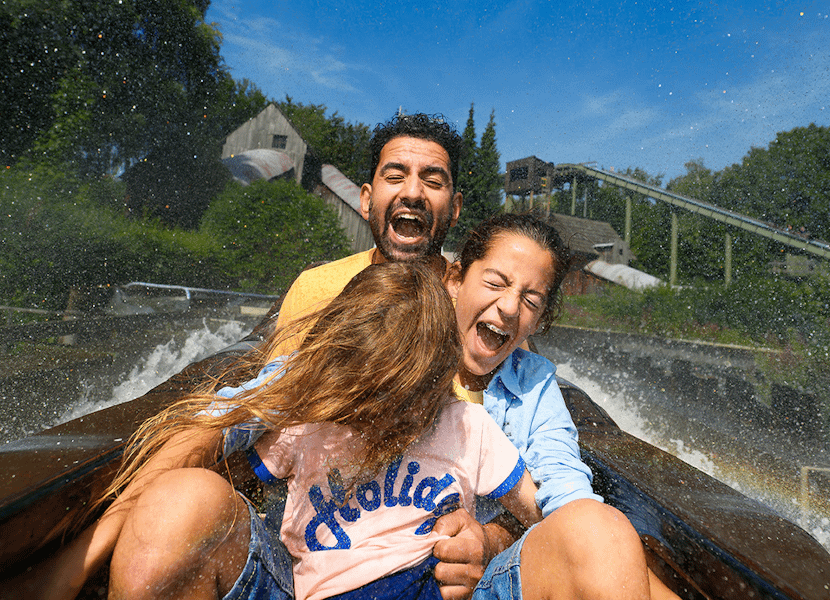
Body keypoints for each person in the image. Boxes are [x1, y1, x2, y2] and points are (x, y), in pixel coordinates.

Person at [11, 262, 542, 600]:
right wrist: (89, 553)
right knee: (184, 497)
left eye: (388, 400)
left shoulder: (485, 414)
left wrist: (491, 538)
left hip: (423, 579)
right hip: (314, 584)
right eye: (357, 397)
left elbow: (543, 510)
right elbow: (226, 439)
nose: (371, 416)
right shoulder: (321, 394)